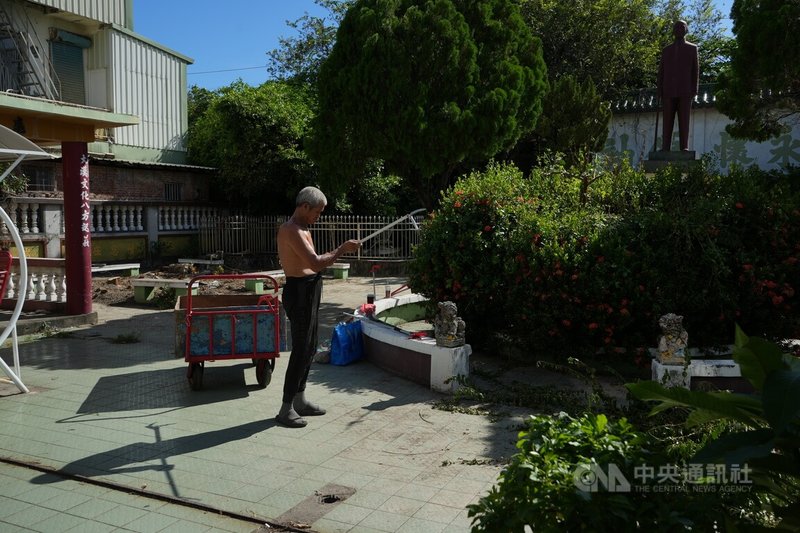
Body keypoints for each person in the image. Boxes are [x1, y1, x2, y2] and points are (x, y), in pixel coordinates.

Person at [275, 186, 361, 428]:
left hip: (309, 289)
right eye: (317, 212)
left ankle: (300, 401)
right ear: (304, 206)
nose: (318, 216)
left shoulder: (303, 228)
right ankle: (285, 409)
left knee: (310, 346)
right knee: (301, 349)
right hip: (299, 291)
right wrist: (341, 249)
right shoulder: (291, 230)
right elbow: (314, 263)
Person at [657, 20, 699, 151]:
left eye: (682, 27)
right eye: (676, 27)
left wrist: (694, 88)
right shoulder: (666, 50)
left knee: (684, 121)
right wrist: (659, 89)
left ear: (686, 30)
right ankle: (665, 147)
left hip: (685, 90)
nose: (679, 29)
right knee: (667, 121)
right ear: (673, 31)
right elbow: (661, 71)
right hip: (668, 90)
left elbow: (695, 70)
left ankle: (684, 147)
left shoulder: (692, 48)